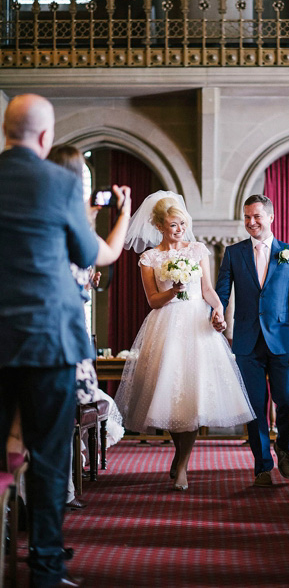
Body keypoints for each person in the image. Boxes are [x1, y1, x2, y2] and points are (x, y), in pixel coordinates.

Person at [0, 94, 99, 587]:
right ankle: (44, 569)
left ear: (4, 131)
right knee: (48, 457)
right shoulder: (61, 182)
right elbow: (84, 251)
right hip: (50, 340)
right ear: (44, 137)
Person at [115, 191, 255, 491]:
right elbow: (153, 300)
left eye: (182, 223)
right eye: (172, 225)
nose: (179, 230)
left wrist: (218, 310)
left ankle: (181, 465)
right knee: (171, 395)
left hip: (196, 324)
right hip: (165, 324)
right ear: (159, 226)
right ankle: (179, 456)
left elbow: (207, 289)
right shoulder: (150, 258)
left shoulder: (198, 250)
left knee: (193, 396)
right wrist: (173, 289)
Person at [47, 144, 130, 510]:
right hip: (62, 336)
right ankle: (57, 500)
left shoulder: (36, 213)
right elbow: (108, 252)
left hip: (24, 331)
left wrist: (89, 215)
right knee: (58, 424)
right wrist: (124, 213)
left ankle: (19, 502)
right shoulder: (70, 221)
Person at [214, 194, 289, 487]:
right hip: (246, 342)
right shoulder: (233, 253)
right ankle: (262, 466)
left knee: (288, 399)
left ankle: (283, 445)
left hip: (283, 341)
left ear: (271, 217)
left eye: (257, 216)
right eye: (247, 217)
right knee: (255, 406)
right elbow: (221, 292)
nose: (251, 222)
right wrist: (216, 314)